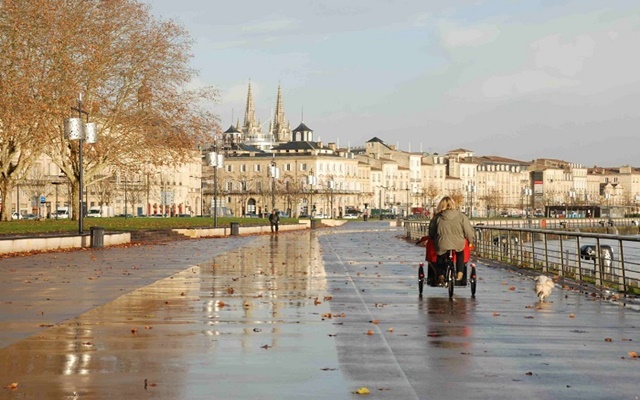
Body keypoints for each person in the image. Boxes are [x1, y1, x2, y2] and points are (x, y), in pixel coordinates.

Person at [428, 196, 475, 282]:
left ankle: (441, 275)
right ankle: (460, 272)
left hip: (441, 243)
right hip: (458, 242)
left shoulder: (437, 217)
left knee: (440, 256)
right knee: (460, 253)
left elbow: (431, 231)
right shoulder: (461, 216)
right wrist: (471, 241)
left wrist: (432, 237)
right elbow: (468, 231)